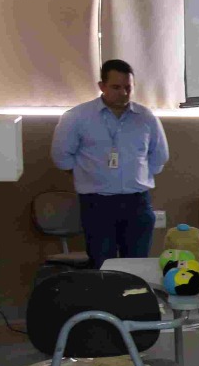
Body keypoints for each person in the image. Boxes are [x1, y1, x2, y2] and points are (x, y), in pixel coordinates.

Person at [50, 58, 170, 269]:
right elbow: (62, 158)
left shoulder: (145, 117)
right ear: (101, 86)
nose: (123, 93)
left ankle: (133, 302)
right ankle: (104, 303)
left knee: (137, 267)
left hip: (137, 203)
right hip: (98, 204)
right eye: (116, 87)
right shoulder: (77, 117)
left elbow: (158, 158)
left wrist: (135, 176)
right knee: (103, 265)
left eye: (128, 87)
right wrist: (91, 176)